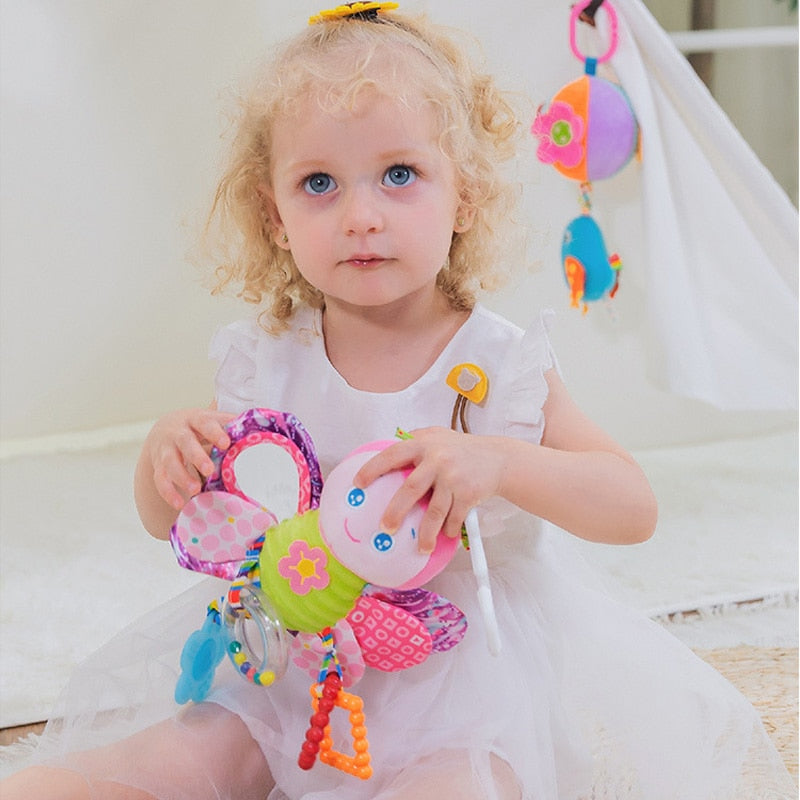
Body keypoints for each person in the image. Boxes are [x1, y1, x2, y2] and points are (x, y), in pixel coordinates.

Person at [2, 5, 793, 799]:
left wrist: (503, 462)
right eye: (319, 184)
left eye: (400, 174)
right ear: (276, 219)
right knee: (186, 758)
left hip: (458, 680)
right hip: (299, 645)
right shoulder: (268, 356)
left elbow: (634, 507)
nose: (362, 216)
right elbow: (175, 521)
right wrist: (162, 462)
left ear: (467, 196)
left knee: (454, 787)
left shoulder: (498, 362)